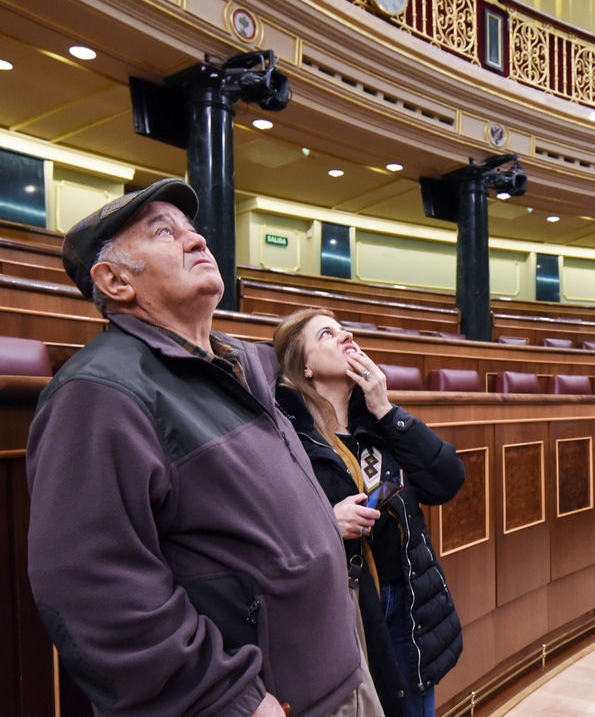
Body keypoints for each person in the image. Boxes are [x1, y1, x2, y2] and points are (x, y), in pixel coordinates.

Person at [25, 180, 371, 717]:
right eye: (164, 233)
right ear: (115, 281)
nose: (197, 241)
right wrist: (228, 699)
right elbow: (95, 589)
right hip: (261, 703)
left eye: (193, 230)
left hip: (334, 678)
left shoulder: (241, 367)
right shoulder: (99, 393)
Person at [274, 308, 464, 717]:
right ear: (303, 365)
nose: (346, 336)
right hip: (344, 611)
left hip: (406, 604)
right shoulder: (284, 433)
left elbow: (446, 482)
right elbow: (263, 525)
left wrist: (387, 410)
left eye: (345, 329)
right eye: (327, 334)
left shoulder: (379, 422)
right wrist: (326, 522)